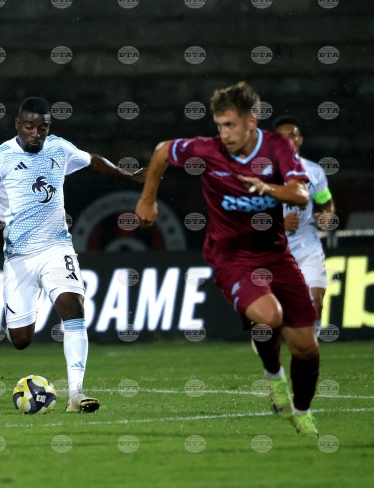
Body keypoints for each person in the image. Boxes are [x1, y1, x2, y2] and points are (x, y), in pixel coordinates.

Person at [135, 82, 320, 436]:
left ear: (251, 121)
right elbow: (162, 151)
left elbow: (299, 194)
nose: (224, 133)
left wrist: (267, 188)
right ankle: (274, 376)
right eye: (219, 125)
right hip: (231, 256)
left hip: (276, 254)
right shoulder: (208, 151)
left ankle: (302, 412)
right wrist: (147, 199)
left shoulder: (277, 147)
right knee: (269, 316)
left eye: (230, 125)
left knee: (306, 347)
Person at [0, 97, 145, 413]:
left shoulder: (59, 148)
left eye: (42, 127)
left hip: (57, 248)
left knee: (73, 307)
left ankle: (76, 394)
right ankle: (34, 304)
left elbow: (93, 160)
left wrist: (126, 175)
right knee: (21, 339)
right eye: (29, 126)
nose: (36, 133)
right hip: (19, 258)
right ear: (17, 124)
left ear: (49, 127)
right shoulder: (0, 159)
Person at [272, 115, 336, 331]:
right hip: (273, 248)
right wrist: (280, 224)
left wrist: (327, 215)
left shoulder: (314, 171)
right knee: (273, 312)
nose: (288, 141)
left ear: (300, 140)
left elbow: (326, 202)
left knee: (315, 302)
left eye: (292, 136)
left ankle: (310, 348)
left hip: (307, 243)